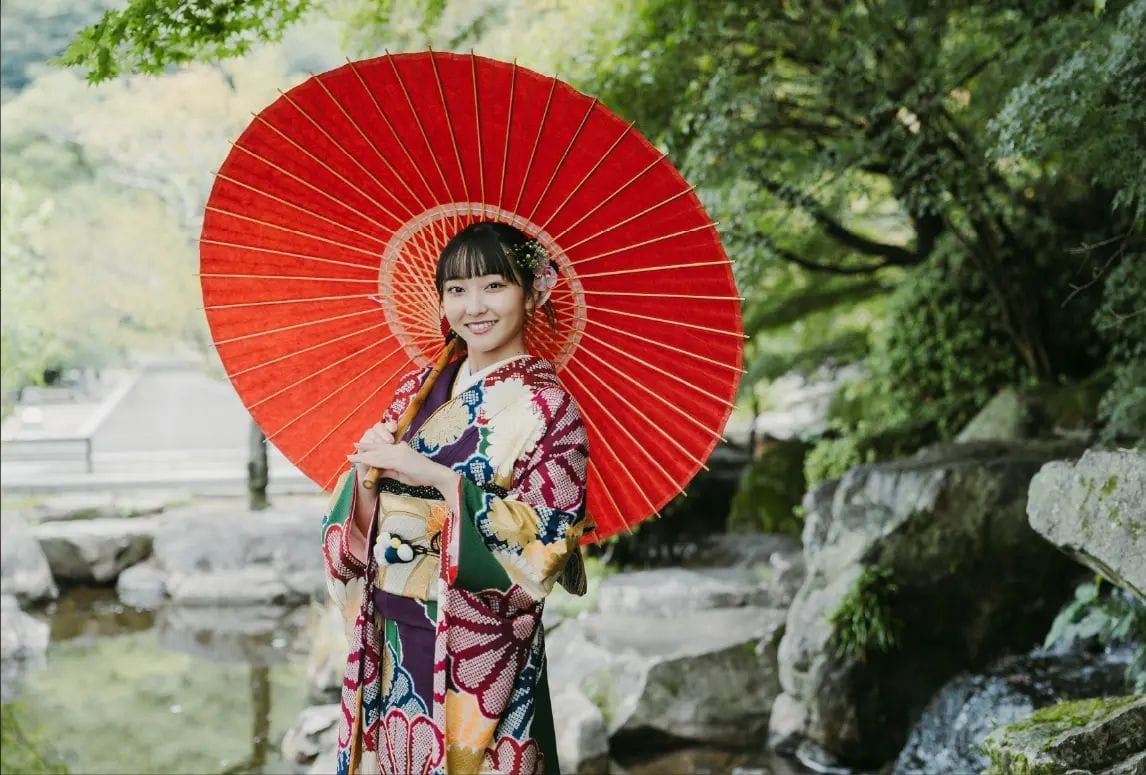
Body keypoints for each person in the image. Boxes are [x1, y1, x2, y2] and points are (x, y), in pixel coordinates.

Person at [320, 221, 590, 775]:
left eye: (494, 285)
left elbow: (548, 541)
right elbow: (359, 526)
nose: (474, 307)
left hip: (480, 652)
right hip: (391, 633)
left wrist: (440, 481)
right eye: (457, 290)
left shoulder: (551, 412)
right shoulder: (415, 389)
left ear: (534, 291)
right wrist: (367, 481)